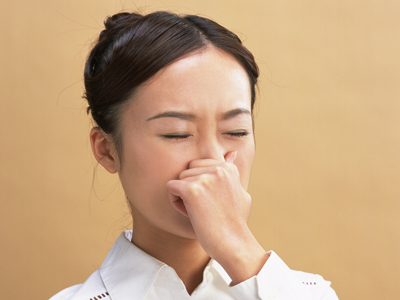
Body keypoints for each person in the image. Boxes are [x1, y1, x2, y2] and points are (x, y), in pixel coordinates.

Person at [50, 10, 339, 300]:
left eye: (236, 131)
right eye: (176, 133)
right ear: (106, 149)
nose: (212, 162)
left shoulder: (308, 292)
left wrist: (238, 247)